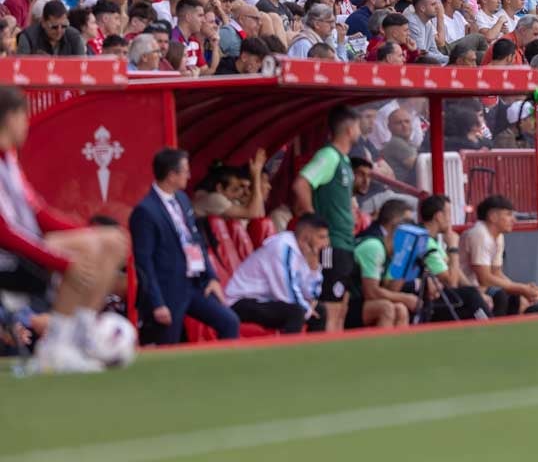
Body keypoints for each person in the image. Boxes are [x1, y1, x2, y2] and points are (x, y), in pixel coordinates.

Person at [0, 87, 128, 373]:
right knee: (89, 249)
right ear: (10, 117)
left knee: (113, 241)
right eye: (24, 117)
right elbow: (4, 232)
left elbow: (37, 211)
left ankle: (79, 337)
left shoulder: (9, 159)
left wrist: (88, 232)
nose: (27, 124)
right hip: (6, 258)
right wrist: (61, 260)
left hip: (21, 250)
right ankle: (55, 347)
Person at [129, 148, 241, 344]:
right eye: (185, 171)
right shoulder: (146, 211)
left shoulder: (182, 199)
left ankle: (225, 371)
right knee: (168, 345)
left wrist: (211, 277)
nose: (189, 176)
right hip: (168, 290)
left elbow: (195, 240)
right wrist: (157, 303)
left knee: (229, 321)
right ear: (172, 175)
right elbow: (144, 263)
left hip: (195, 284)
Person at [291, 105, 360, 332]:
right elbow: (301, 184)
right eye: (358, 126)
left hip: (346, 241)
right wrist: (314, 220)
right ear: (350, 129)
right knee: (330, 306)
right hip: (332, 243)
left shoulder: (345, 161)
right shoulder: (328, 156)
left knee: (342, 306)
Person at [225, 214, 328, 334]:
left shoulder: (303, 252)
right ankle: (290, 352)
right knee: (296, 312)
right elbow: (287, 292)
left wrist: (313, 268)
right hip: (240, 301)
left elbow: (311, 295)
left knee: (319, 310)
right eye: (321, 237)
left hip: (264, 300)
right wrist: (307, 309)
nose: (326, 243)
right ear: (306, 236)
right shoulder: (283, 247)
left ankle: (313, 352)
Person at [459, 194, 538, 314]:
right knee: (500, 296)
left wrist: (521, 289)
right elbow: (484, 278)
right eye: (508, 215)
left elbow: (496, 272)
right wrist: (521, 288)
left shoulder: (498, 236)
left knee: (517, 299)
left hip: (479, 288)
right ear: (493, 216)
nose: (514, 220)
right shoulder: (479, 234)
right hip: (462, 288)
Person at [418, 194, 493, 321]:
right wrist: (453, 248)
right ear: (439, 216)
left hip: (443, 297)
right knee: (470, 296)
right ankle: (492, 329)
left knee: (487, 294)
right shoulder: (424, 242)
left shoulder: (432, 240)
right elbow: (451, 283)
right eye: (448, 215)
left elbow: (455, 271)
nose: (450, 220)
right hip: (429, 302)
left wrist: (477, 293)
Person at [347, 199, 419, 329]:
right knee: (386, 308)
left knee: (400, 309)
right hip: (347, 302)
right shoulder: (375, 247)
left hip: (363, 303)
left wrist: (404, 262)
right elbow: (372, 292)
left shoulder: (392, 254)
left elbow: (390, 290)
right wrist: (405, 298)